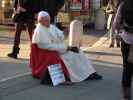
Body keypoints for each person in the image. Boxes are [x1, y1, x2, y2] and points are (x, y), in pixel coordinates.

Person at [30, 11, 102, 84]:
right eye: (45, 21)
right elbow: (45, 46)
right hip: (52, 52)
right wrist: (65, 48)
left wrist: (63, 33)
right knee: (71, 57)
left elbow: (60, 36)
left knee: (79, 53)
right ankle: (80, 76)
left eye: (48, 20)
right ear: (40, 21)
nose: (48, 22)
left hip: (60, 49)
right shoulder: (39, 30)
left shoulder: (51, 27)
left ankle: (90, 73)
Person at [113, 0, 133, 99]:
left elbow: (116, 24)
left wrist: (119, 32)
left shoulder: (124, 4)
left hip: (127, 40)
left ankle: (127, 95)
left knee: (127, 68)